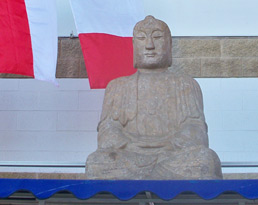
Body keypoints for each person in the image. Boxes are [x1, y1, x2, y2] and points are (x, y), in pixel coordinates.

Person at [86, 15, 223, 180]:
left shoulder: (185, 84)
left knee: (204, 159)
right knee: (97, 162)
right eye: (142, 38)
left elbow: (196, 131)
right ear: (134, 45)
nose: (149, 46)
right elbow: (106, 133)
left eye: (157, 37)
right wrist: (131, 144)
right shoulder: (117, 87)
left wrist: (168, 144)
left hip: (171, 156)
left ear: (169, 45)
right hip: (130, 155)